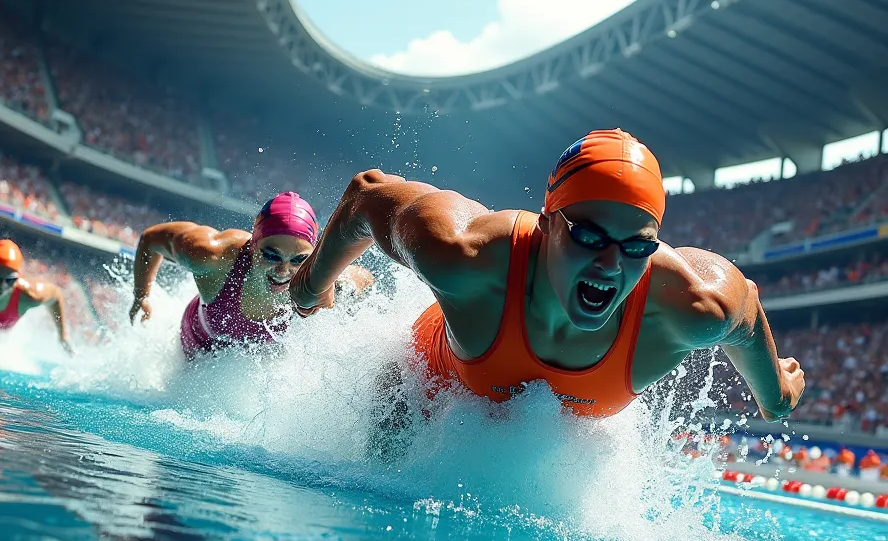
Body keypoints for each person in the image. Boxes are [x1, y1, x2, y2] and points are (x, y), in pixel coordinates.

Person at [290, 129, 804, 424]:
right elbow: (368, 193)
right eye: (589, 235)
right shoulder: (463, 254)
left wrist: (776, 392)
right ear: (546, 224)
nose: (611, 263)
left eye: (637, 245)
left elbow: (746, 311)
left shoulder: (692, 306)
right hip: (419, 394)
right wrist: (312, 285)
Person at [129, 191, 372, 359]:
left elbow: (365, 279)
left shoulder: (317, 276)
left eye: (298, 260)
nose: (283, 271)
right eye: (272, 256)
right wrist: (142, 296)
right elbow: (152, 239)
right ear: (253, 244)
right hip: (198, 344)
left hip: (258, 359)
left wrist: (337, 288)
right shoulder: (213, 256)